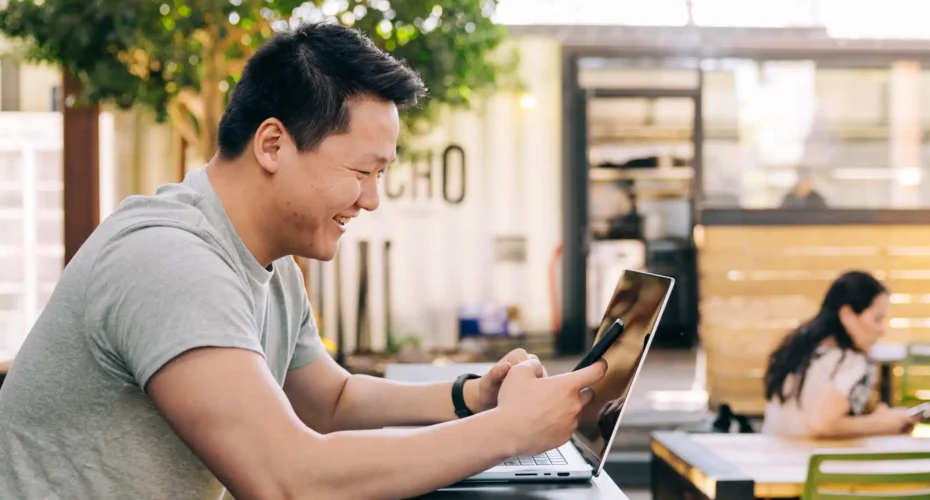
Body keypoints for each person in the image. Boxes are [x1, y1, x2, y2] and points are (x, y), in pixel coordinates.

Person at [0, 23, 607, 500]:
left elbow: (328, 400)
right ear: (272, 145)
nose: (371, 199)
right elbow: (288, 481)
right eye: (362, 172)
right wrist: (510, 433)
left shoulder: (267, 263)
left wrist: (472, 396)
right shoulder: (170, 258)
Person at [761, 270, 915, 438]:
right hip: (810, 461)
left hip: (772, 456)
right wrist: (886, 424)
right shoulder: (851, 362)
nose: (882, 331)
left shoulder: (796, 347)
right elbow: (822, 424)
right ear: (847, 315)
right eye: (876, 319)